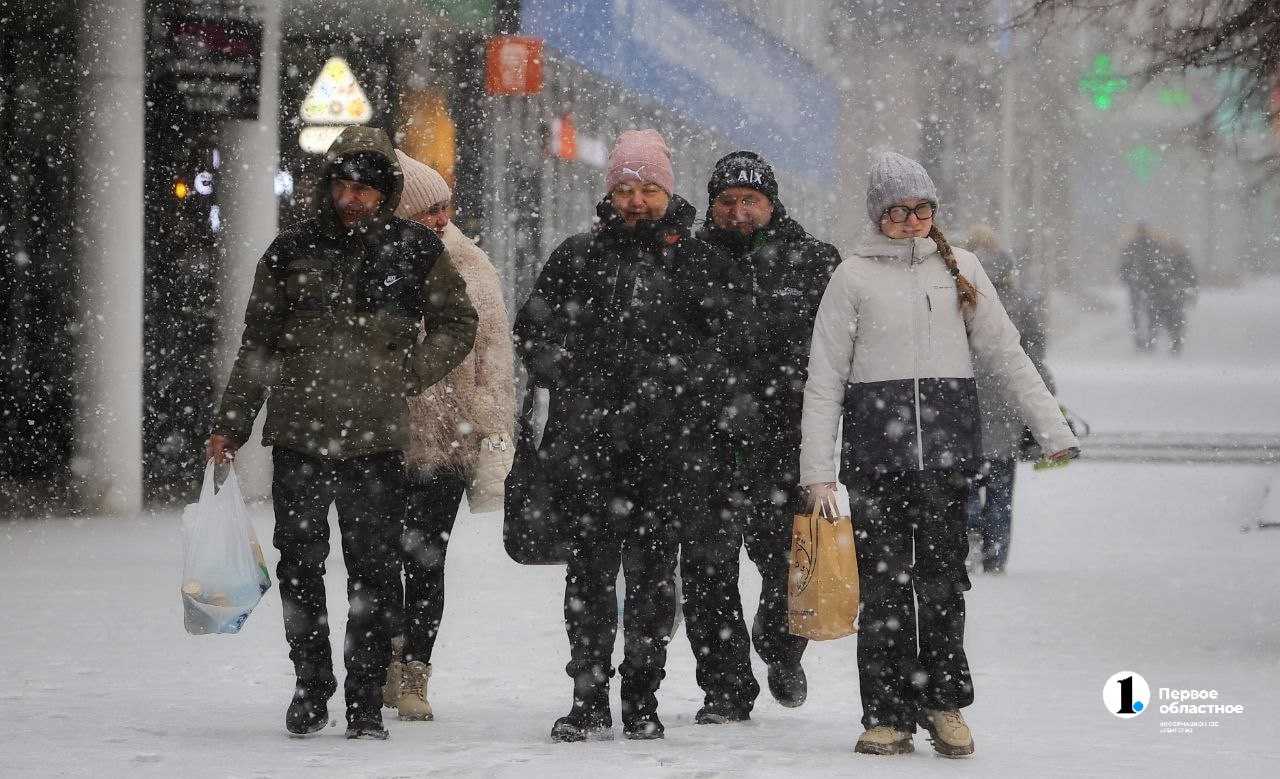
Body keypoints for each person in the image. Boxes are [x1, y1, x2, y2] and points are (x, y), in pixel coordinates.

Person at [799, 152, 1079, 757]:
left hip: (948, 460)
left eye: (921, 210)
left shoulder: (962, 270)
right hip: (877, 461)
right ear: (879, 214)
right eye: (898, 211)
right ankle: (887, 714)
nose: (911, 221)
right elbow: (823, 380)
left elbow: (1007, 354)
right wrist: (818, 474)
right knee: (884, 589)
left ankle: (942, 701)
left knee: (944, 585)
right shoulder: (851, 277)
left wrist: (1053, 429)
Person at [205, 126, 478, 740]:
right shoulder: (290, 250)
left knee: (374, 573)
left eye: (364, 188)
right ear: (327, 186)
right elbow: (258, 346)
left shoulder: (414, 251)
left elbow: (459, 323)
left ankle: (361, 701)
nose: (351, 198)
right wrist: (231, 425)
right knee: (300, 567)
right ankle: (310, 687)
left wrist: (405, 373)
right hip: (300, 436)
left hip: (376, 441)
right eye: (343, 186)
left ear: (385, 193)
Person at [513, 129, 750, 742]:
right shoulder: (577, 256)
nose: (637, 201)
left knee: (652, 579)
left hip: (670, 454)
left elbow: (730, 348)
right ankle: (587, 698)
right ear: (609, 193)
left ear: (667, 193)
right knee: (588, 578)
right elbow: (533, 334)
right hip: (587, 450)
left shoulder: (701, 262)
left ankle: (641, 699)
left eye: (648, 189)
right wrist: (573, 379)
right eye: (625, 189)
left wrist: (684, 396)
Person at [682, 150, 839, 722]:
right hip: (705, 443)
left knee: (786, 563)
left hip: (783, 440)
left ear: (772, 204)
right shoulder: (688, 262)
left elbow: (837, 349)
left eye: (751, 200)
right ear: (713, 205)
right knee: (706, 569)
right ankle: (725, 689)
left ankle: (780, 647)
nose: (739, 211)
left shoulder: (815, 261)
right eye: (728, 201)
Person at [378, 151, 517, 721]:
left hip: (448, 439)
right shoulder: (374, 267)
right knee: (378, 559)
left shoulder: (471, 263)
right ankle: (384, 656)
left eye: (444, 207)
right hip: (381, 437)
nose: (440, 219)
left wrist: (491, 431)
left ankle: (416, 672)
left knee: (427, 560)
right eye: (426, 211)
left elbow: (495, 357)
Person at [962, 225, 1053, 574]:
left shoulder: (955, 293)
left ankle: (969, 524)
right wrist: (1046, 396)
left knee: (964, 480)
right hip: (1005, 404)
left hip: (962, 404)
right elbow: (1034, 356)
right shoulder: (1020, 302)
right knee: (1001, 487)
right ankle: (996, 555)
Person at [1118, 223, 1162, 351]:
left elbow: (1123, 267)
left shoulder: (1133, 247)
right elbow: (1158, 267)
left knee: (1141, 314)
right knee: (1148, 314)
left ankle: (1143, 340)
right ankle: (1147, 340)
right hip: (1146, 286)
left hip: (1141, 286)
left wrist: (1128, 279)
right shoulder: (1152, 247)